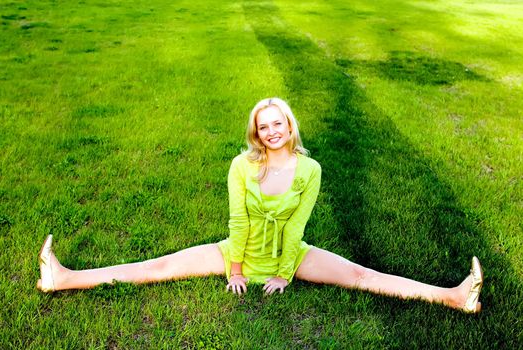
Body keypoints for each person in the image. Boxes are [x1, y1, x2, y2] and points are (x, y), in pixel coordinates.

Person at [37, 97, 483, 313]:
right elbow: (238, 219)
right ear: (256, 132)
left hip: (288, 255)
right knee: (155, 267)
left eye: (278, 123)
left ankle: (453, 296)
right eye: (263, 126)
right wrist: (234, 269)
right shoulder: (241, 164)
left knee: (362, 276)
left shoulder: (311, 170)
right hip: (237, 251)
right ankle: (63, 278)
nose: (271, 131)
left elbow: (297, 226)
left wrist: (285, 273)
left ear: (290, 126)